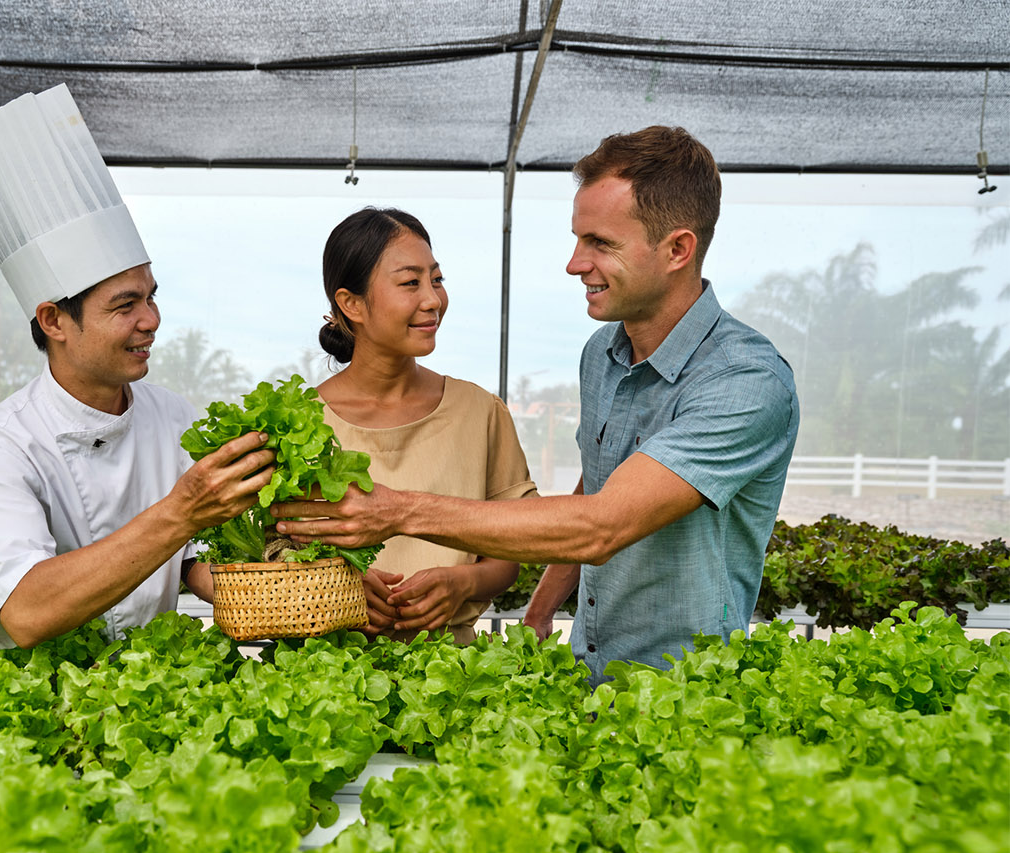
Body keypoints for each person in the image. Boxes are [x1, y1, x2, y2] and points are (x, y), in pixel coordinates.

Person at [272, 126, 800, 683]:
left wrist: (395, 511)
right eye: (578, 240)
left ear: (677, 249)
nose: (575, 263)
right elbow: (602, 486)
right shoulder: (603, 353)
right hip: (591, 675)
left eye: (601, 243)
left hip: (687, 692)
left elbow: (601, 525)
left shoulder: (745, 379)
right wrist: (542, 608)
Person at [0, 84, 273, 650]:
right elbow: (24, 611)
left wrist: (294, 586)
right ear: (53, 320)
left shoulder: (171, 417)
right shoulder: (3, 446)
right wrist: (181, 512)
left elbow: (196, 561)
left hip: (159, 686)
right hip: (43, 708)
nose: (152, 320)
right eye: (125, 306)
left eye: (151, 297)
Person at [313, 207, 537, 643]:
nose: (433, 299)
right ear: (351, 303)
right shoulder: (301, 423)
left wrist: (463, 584)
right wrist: (336, 591)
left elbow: (513, 547)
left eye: (437, 279)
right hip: (327, 678)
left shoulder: (481, 411)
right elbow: (269, 559)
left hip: (459, 678)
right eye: (410, 282)